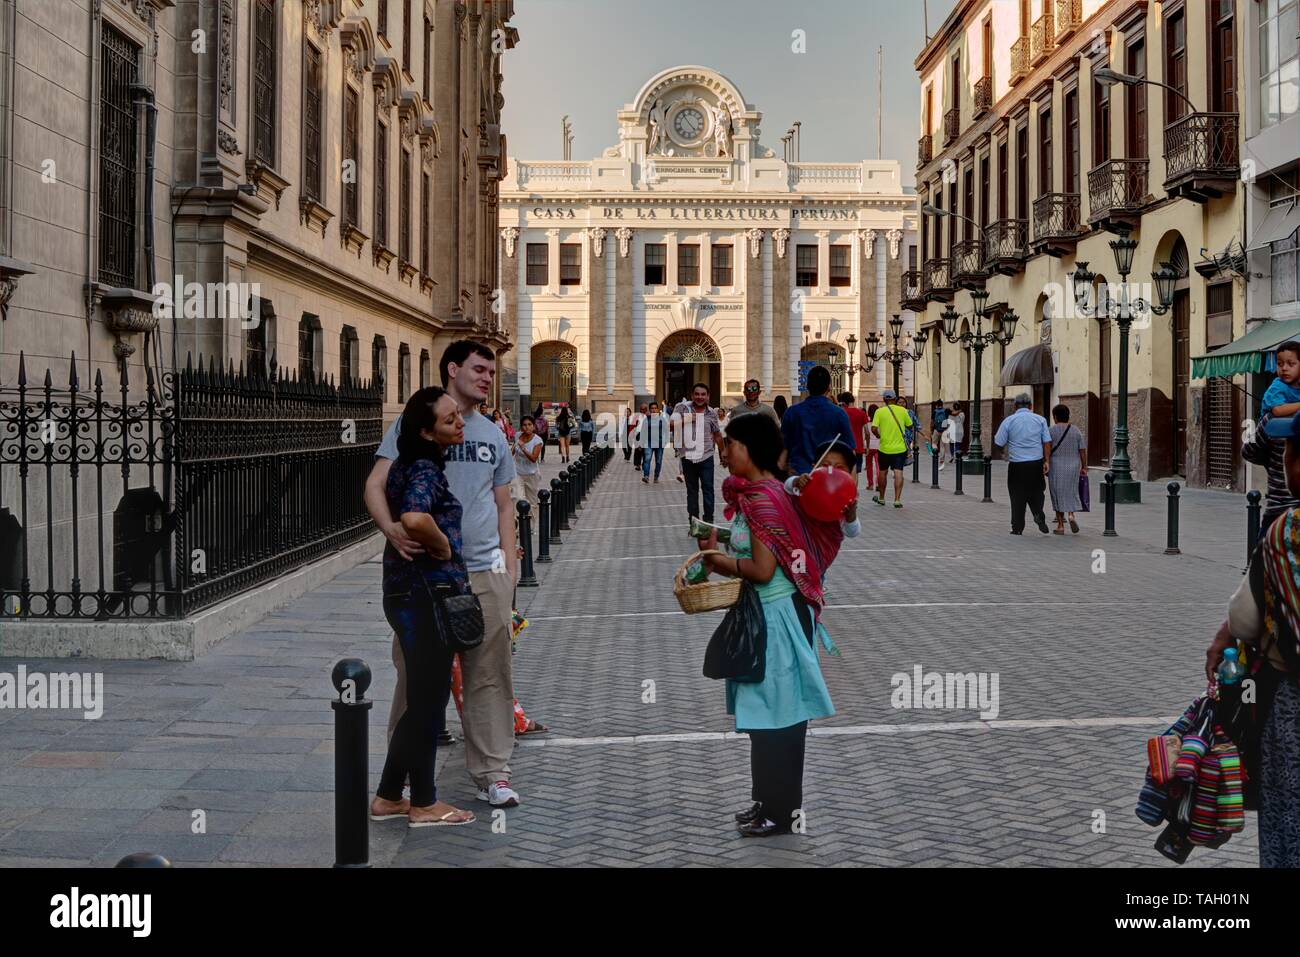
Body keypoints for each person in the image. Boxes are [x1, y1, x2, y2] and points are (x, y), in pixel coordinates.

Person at [366, 339, 523, 809]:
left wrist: (510, 566)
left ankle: (493, 771)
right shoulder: (417, 423)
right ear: (452, 369)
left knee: (490, 673)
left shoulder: (494, 433)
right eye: (479, 369)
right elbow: (375, 483)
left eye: (492, 372)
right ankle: (408, 780)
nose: (487, 378)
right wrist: (393, 530)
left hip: (483, 571)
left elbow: (503, 503)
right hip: (427, 579)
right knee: (417, 679)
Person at [700, 414, 848, 837]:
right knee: (768, 715)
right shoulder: (762, 494)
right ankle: (765, 800)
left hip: (777, 618)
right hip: (769, 615)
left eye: (729, 444)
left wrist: (718, 562)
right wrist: (723, 540)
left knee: (780, 720)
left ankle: (781, 812)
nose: (724, 453)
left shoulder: (764, 499)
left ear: (748, 447)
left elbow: (762, 569)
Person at [368, 387, 476, 828]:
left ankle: (389, 796)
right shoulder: (426, 469)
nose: (460, 423)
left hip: (405, 593)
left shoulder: (405, 464)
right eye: (450, 420)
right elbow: (415, 517)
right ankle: (425, 803)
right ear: (427, 431)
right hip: (425, 595)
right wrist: (444, 546)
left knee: (422, 701)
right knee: (430, 703)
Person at [1206, 410, 1300, 866]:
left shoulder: (1286, 532)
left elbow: (1244, 621)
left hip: (1292, 703)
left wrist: (1221, 639)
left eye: (1288, 452)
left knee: (1289, 815)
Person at [993, 393, 1052, 535]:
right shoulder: (1040, 420)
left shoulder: (1009, 421)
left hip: (1017, 464)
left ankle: (1017, 527)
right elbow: (1047, 442)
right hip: (1035, 463)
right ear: (1031, 406)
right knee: (1037, 492)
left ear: (1015, 406)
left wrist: (1003, 454)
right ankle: (1038, 513)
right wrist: (1046, 461)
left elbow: (999, 442)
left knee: (1016, 495)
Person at [779, 366, 855, 475]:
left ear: (807, 386)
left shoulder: (791, 413)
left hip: (798, 476)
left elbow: (783, 450)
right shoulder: (839, 414)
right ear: (829, 387)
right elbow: (850, 454)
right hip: (828, 478)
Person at [672, 384, 724, 534]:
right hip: (688, 457)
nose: (700, 397)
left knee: (708, 490)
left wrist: (723, 453)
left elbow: (717, 434)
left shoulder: (712, 413)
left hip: (706, 457)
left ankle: (708, 523)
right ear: (692, 395)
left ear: (708, 396)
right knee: (692, 492)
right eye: (697, 394)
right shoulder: (682, 409)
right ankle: (694, 524)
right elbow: (670, 426)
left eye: (703, 394)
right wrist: (687, 420)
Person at [1046, 404, 1087, 534]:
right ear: (1068, 415)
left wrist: (1046, 462)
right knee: (1072, 491)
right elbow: (1082, 451)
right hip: (1073, 466)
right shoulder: (1076, 431)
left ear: (1055, 417)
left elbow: (1047, 448)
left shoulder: (1051, 431)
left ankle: (1060, 525)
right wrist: (1084, 466)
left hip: (1056, 466)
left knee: (1057, 493)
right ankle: (1071, 515)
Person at [870, 389, 911, 508]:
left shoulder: (879, 411)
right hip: (899, 448)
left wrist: (879, 435)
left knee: (883, 472)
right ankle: (897, 499)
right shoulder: (903, 410)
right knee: (898, 472)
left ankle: (882, 498)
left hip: (884, 448)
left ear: (884, 400)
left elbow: (873, 428)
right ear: (895, 399)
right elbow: (909, 425)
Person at [513, 415, 543, 532]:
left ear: (534, 426)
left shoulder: (538, 441)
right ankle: (517, 526)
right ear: (521, 427)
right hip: (517, 472)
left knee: (532, 502)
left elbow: (534, 458)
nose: (527, 427)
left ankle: (530, 526)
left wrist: (523, 448)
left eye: (529, 425)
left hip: (532, 474)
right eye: (524, 425)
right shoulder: (517, 436)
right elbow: (513, 451)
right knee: (517, 497)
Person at [838, 392, 869, 480]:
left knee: (844, 472)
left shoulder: (841, 413)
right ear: (853, 400)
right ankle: (854, 492)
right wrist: (867, 446)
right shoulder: (861, 413)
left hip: (844, 447)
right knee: (855, 473)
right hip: (858, 447)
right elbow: (867, 432)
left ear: (843, 402)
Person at [637, 400, 669, 483]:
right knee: (647, 459)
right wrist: (640, 443)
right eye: (652, 408)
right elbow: (643, 432)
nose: (653, 410)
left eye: (655, 408)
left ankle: (656, 476)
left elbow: (666, 430)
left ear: (658, 409)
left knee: (658, 461)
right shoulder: (646, 420)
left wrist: (665, 441)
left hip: (659, 443)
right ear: (649, 410)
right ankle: (646, 476)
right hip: (649, 442)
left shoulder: (662, 419)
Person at [863, 403, 881, 488]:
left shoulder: (866, 422)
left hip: (868, 446)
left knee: (869, 465)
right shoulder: (880, 422)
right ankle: (878, 483)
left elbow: (865, 434)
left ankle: (870, 484)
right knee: (878, 465)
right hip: (878, 446)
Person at [631, 404, 648, 470]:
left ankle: (644, 464)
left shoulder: (648, 416)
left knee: (645, 450)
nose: (642, 410)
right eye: (641, 409)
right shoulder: (636, 416)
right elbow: (632, 426)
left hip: (646, 434)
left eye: (644, 409)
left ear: (646, 409)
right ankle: (637, 465)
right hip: (637, 434)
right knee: (638, 450)